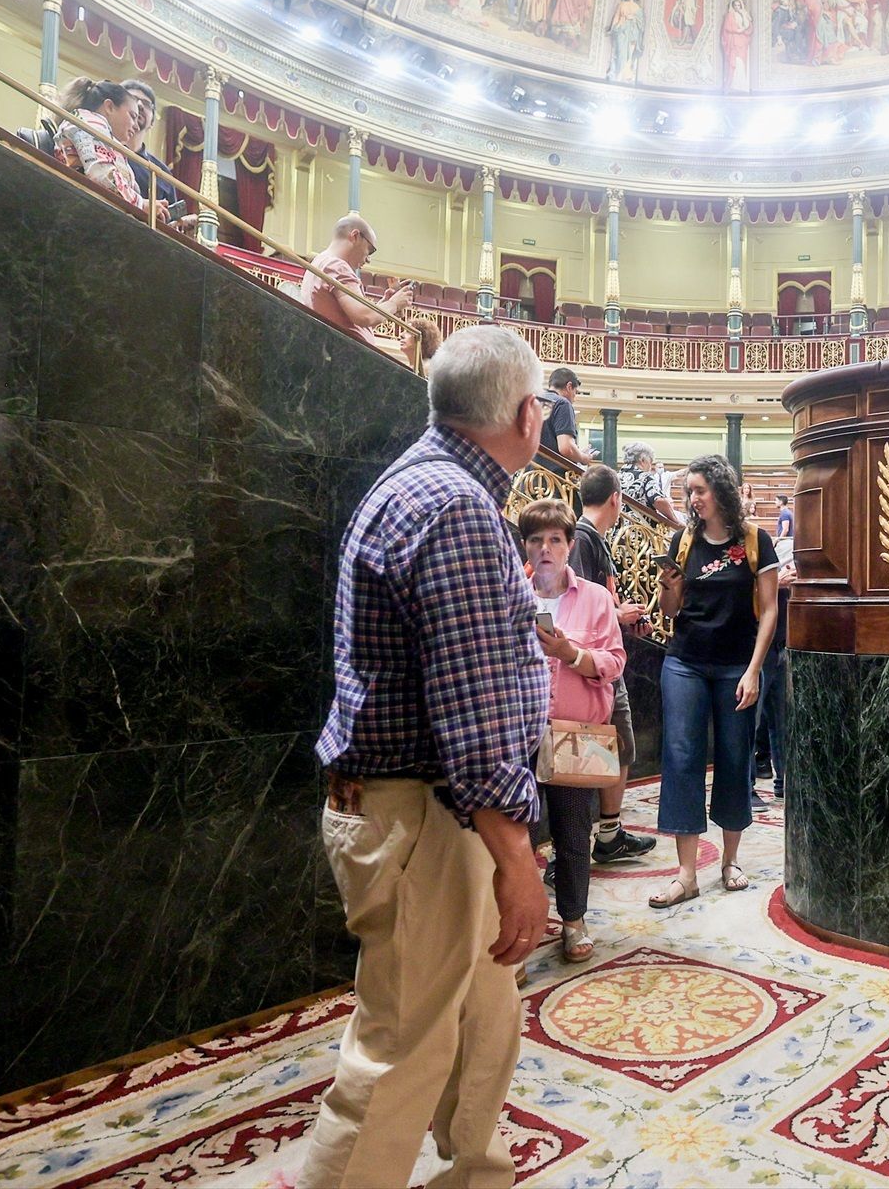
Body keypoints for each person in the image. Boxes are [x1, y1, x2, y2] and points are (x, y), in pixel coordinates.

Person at [300, 325, 551, 1189]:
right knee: (401, 1047)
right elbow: (474, 711)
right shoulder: (457, 509)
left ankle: (476, 1173)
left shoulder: (425, 485)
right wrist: (518, 855)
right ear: (525, 413)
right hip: (429, 818)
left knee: (484, 1013)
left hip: (428, 809)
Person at [649, 455, 779, 909]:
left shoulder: (755, 541)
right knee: (681, 757)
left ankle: (730, 861)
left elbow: (770, 611)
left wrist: (753, 670)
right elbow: (670, 611)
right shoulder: (684, 539)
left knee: (733, 754)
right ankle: (685, 874)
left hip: (735, 666)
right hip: (684, 661)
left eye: (700, 489)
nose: (692, 498)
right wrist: (668, 585)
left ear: (720, 491)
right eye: (688, 490)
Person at [520, 497, 626, 964]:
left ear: (568, 545)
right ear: (525, 546)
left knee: (572, 831)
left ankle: (573, 920)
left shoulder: (597, 599)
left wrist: (570, 654)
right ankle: (516, 932)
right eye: (536, 539)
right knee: (515, 835)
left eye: (555, 540)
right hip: (517, 734)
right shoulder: (510, 594)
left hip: (577, 733)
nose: (546, 548)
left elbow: (614, 661)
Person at [568, 465, 658, 865]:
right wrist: (618, 617)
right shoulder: (583, 540)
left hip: (604, 662)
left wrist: (624, 617)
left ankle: (607, 833)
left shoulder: (592, 540)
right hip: (591, 669)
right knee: (599, 751)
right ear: (616, 499)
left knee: (616, 748)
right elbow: (579, 608)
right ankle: (582, 843)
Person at [53, 77, 174, 223]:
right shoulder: (90, 124)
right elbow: (101, 174)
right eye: (132, 116)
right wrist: (141, 204)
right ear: (109, 107)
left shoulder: (107, 139)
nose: (135, 125)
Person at [301, 214, 413, 342]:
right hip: (345, 355)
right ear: (355, 236)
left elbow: (352, 321)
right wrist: (394, 304)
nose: (368, 259)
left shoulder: (320, 261)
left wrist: (385, 303)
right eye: (370, 250)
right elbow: (364, 317)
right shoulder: (337, 266)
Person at [752, 547, 797, 807]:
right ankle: (746, 788)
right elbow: (741, 598)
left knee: (782, 721)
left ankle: (784, 783)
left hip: (781, 645)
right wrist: (776, 583)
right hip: (757, 648)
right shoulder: (746, 552)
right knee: (752, 721)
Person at [118, 80, 180, 206]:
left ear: (152, 122)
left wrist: (180, 223)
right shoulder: (102, 147)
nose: (140, 105)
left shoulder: (162, 173)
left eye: (146, 104)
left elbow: (167, 219)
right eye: (133, 99)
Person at [537, 366, 595, 463]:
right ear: (569, 386)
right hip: (552, 476)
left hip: (528, 474)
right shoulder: (562, 403)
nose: (574, 399)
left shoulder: (534, 400)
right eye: (575, 392)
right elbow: (566, 448)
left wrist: (577, 452)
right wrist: (584, 458)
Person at [618, 442, 680, 524]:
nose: (651, 466)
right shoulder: (645, 477)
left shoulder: (615, 477)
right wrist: (676, 521)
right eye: (650, 461)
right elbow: (659, 501)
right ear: (642, 460)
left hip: (616, 530)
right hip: (640, 531)